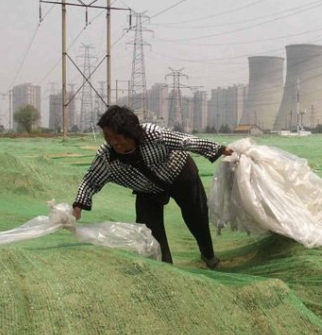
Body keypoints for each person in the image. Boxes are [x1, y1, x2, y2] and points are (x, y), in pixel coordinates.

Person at [71, 105, 231, 268]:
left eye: (117, 137)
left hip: (179, 171)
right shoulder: (105, 156)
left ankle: (208, 256)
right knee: (149, 230)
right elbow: (90, 180)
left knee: (196, 215)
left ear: (130, 132)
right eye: (108, 138)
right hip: (146, 188)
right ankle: (164, 268)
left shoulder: (152, 134)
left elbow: (185, 141)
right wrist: (78, 206)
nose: (113, 142)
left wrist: (219, 149)